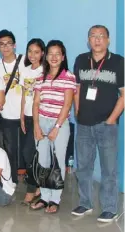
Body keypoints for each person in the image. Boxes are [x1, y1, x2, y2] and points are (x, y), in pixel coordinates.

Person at [72, 25, 124, 223]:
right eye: (93, 36)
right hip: (83, 123)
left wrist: (111, 119)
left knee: (108, 168)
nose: (97, 39)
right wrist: (77, 111)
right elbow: (76, 88)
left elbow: (124, 95)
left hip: (107, 124)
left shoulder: (119, 62)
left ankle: (110, 208)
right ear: (88, 40)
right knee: (83, 167)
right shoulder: (80, 60)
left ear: (108, 40)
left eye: (101, 36)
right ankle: (85, 203)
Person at [29, 40, 76, 214]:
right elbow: (35, 103)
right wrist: (36, 125)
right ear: (46, 56)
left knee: (58, 162)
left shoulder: (68, 76)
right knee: (43, 162)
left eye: (58, 54)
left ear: (63, 57)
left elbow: (67, 104)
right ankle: (44, 197)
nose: (54, 57)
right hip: (41, 121)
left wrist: (57, 126)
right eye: (50, 54)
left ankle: (55, 199)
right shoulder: (40, 78)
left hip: (60, 124)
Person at [0, 29, 26, 184]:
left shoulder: (25, 61)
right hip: (7, 115)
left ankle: (33, 184)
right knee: (10, 151)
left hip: (26, 114)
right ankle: (12, 183)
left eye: (8, 44)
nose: (5, 47)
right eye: (1, 44)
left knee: (28, 151)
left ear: (15, 45)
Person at [19, 38, 45, 205]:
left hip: (40, 117)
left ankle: (32, 188)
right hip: (27, 116)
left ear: (42, 53)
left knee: (31, 153)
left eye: (36, 52)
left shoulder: (45, 71)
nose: (33, 55)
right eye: (30, 51)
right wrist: (21, 116)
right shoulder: (26, 70)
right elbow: (23, 95)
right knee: (28, 153)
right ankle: (38, 186)